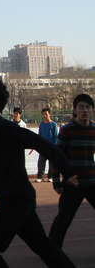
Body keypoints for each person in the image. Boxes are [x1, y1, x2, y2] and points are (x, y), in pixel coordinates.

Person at [0, 78, 78, 268]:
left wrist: (67, 169)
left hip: (15, 200)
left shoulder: (6, 128)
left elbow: (43, 144)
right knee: (42, 245)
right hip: (17, 199)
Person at [49, 93, 95, 248]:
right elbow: (57, 156)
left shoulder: (94, 129)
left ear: (92, 110)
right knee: (63, 219)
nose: (85, 110)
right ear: (75, 110)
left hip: (92, 181)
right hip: (73, 183)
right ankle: (53, 249)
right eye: (81, 107)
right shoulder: (67, 130)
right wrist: (56, 181)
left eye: (88, 107)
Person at [36, 108, 59, 182]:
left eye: (46, 114)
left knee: (51, 163)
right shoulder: (41, 125)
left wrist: (55, 147)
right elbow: (39, 135)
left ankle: (50, 177)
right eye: (43, 114)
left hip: (51, 147)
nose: (45, 116)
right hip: (43, 147)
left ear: (49, 114)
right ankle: (40, 177)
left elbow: (55, 136)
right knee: (41, 163)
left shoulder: (53, 125)